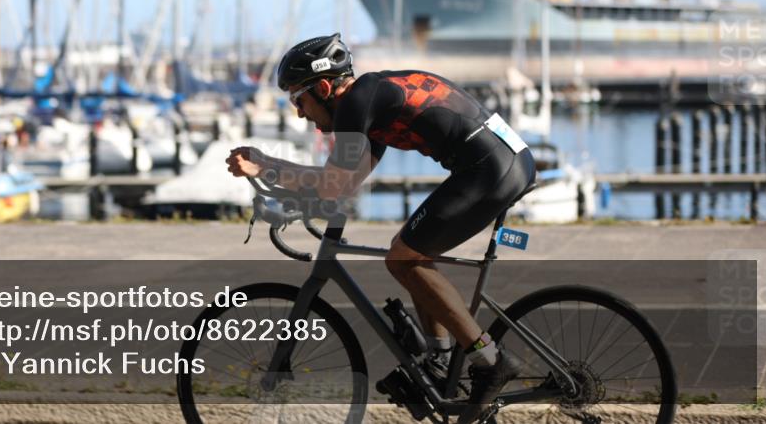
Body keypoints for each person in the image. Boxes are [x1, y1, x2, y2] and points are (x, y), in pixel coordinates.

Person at [226, 33, 536, 424]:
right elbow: (345, 184)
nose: (300, 113)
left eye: (297, 100)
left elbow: (333, 184)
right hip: (496, 163)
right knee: (413, 256)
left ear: (323, 87)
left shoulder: (359, 102)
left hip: (490, 169)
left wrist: (266, 164)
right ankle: (440, 363)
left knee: (403, 258)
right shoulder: (372, 103)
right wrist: (293, 198)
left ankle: (490, 359)